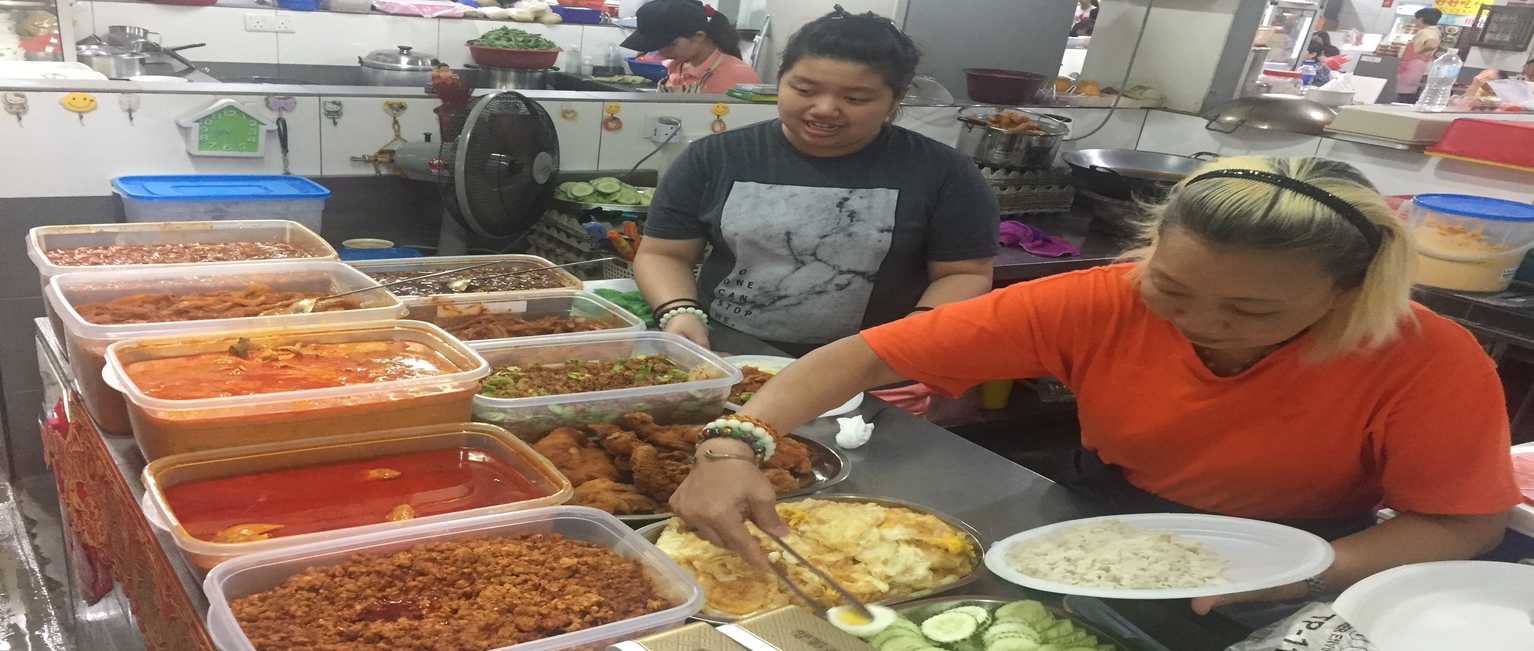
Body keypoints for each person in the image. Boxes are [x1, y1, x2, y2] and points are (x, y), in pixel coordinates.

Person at [670, 156, 1518, 616]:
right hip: (1100, 509)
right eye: (1171, 287)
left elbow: (1463, 520)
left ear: (1346, 293)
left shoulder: (1426, 357)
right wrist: (731, 445)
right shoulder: (1102, 298)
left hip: (1304, 548)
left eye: (1252, 310)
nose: (1199, 322)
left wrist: (1302, 574)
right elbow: (859, 357)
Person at [635, 7, 1000, 356]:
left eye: (855, 97)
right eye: (805, 90)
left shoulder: (944, 172)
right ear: (780, 81)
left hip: (876, 366)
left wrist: (910, 338)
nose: (824, 109)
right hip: (726, 355)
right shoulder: (715, 157)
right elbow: (664, 253)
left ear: (896, 99)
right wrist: (678, 312)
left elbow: (963, 274)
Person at [620, 0, 760, 94]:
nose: (663, 52)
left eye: (670, 44)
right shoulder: (677, 66)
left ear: (699, 36)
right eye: (658, 46)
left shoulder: (738, 76)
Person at [1396, 8, 1442, 103]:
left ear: (1421, 19)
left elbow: (1431, 44)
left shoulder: (1428, 31)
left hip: (1416, 68)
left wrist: (1419, 53)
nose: (1415, 21)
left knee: (1407, 97)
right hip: (1417, 68)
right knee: (1408, 95)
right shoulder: (1433, 31)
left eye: (1416, 18)